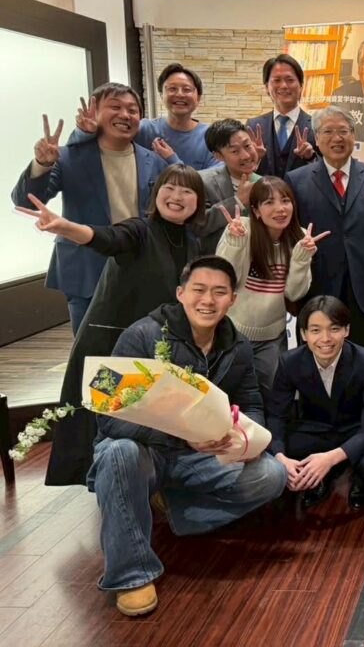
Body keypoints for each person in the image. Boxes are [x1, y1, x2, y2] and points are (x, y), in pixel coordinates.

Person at [87, 255, 287, 617]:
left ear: (233, 299)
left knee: (272, 475)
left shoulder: (238, 346)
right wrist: (183, 439)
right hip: (145, 452)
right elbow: (106, 411)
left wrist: (242, 440)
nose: (208, 300)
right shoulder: (141, 334)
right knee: (119, 453)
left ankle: (173, 506)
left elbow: (252, 404)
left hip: (200, 456)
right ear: (180, 293)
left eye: (219, 292)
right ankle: (131, 574)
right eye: (198, 290)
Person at [24, 164, 206, 486]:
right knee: (104, 423)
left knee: (141, 423)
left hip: (152, 348)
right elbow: (106, 238)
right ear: (156, 192)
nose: (176, 196)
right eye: (169, 187)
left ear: (198, 200)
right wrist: (66, 227)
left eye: (186, 190)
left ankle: (137, 483)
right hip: (110, 346)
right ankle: (107, 486)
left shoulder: (193, 243)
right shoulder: (139, 229)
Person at [12, 86, 171, 331]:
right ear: (95, 113)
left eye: (132, 110)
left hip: (139, 266)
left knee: (140, 342)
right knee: (90, 344)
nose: (125, 115)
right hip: (85, 268)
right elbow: (24, 200)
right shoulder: (68, 157)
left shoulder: (155, 161)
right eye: (115, 107)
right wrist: (42, 164)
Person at [266, 295, 364, 510]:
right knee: (277, 445)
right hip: (316, 430)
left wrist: (330, 458)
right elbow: (276, 415)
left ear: (346, 330)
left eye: (334, 329)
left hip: (355, 430)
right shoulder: (290, 362)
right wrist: (281, 458)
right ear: (303, 334)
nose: (325, 338)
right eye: (315, 330)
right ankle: (318, 477)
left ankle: (359, 480)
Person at [286, 107, 364, 351]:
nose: (337, 138)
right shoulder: (296, 180)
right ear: (316, 137)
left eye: (343, 131)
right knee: (318, 353)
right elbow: (291, 236)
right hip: (317, 282)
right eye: (328, 131)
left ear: (354, 135)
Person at [216, 177, 322, 399]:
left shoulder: (300, 236)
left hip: (273, 336)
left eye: (285, 200)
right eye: (269, 202)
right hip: (232, 333)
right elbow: (224, 282)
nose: (280, 209)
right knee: (226, 394)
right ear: (255, 211)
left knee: (273, 394)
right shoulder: (240, 228)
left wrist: (301, 259)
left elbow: (294, 293)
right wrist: (235, 244)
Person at [71, 63, 217, 170]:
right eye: (172, 89)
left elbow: (213, 181)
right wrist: (84, 133)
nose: (179, 94)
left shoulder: (211, 136)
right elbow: (95, 150)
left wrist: (172, 160)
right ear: (161, 95)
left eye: (187, 89)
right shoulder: (143, 129)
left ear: (198, 97)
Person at [195, 118, 263, 247]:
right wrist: (237, 201)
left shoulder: (265, 183)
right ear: (219, 156)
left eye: (247, 146)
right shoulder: (202, 180)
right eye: (235, 151)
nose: (246, 156)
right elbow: (199, 225)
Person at [247, 54, 317, 178]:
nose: (284, 86)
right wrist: (254, 158)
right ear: (267, 87)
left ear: (301, 86)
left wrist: (310, 157)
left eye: (290, 80)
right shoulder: (252, 126)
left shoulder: (316, 126)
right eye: (277, 80)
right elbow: (240, 170)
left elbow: (328, 171)